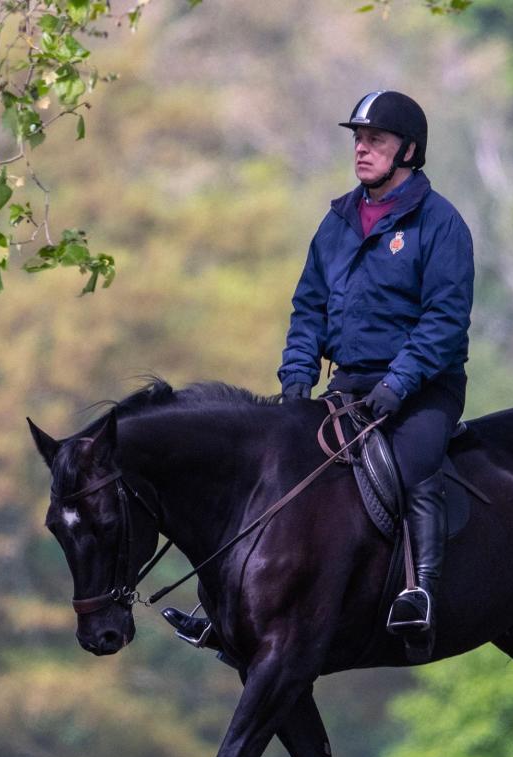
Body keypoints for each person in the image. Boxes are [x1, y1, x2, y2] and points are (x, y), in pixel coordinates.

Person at [164, 90, 474, 664]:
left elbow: (445, 321)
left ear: (408, 149)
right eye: (357, 139)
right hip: (349, 385)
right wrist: (295, 383)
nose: (361, 149)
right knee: (278, 470)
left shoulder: (440, 223)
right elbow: (308, 309)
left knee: (411, 469)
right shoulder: (336, 222)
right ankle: (230, 609)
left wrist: (398, 386)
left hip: (423, 391)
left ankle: (420, 590)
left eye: (374, 139)